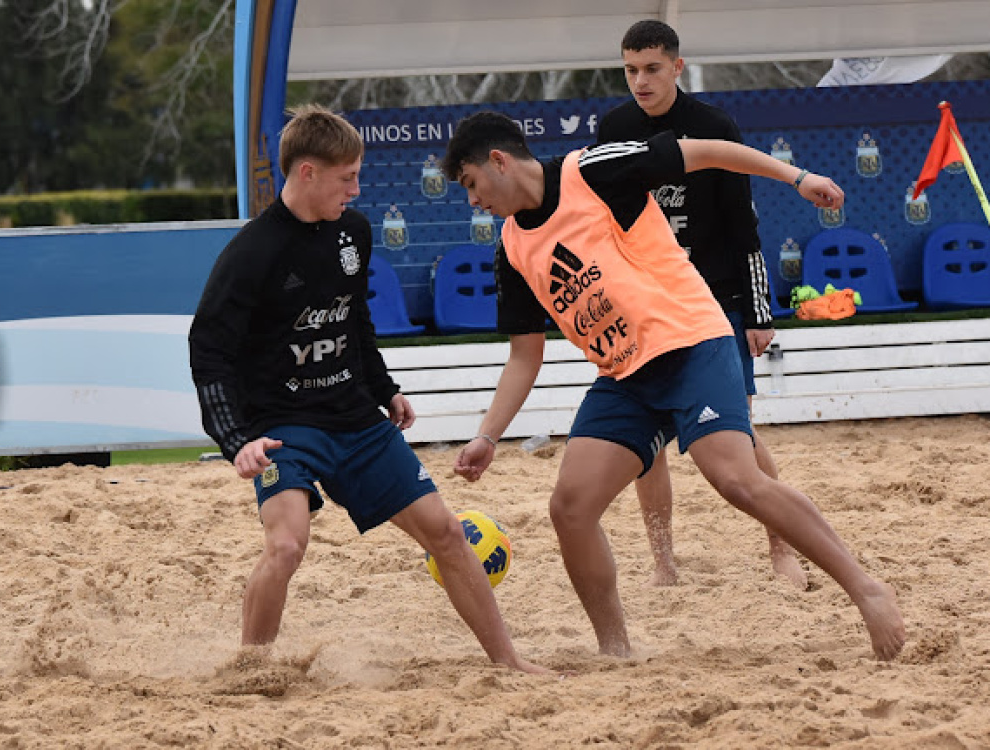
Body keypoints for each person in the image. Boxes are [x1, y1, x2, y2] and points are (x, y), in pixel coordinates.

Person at [442, 111, 905, 661]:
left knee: (734, 478)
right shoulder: (512, 247)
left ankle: (866, 588)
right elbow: (525, 355)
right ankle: (617, 650)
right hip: (624, 378)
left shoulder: (590, 172)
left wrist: (797, 177)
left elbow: (705, 152)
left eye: (471, 184)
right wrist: (488, 437)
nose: (472, 200)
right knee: (569, 508)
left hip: (691, 343)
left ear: (498, 161)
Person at [188, 104, 548, 675]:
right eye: (347, 177)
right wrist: (236, 441)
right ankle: (249, 672)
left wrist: (385, 388)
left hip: (355, 418)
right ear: (307, 172)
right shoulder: (252, 252)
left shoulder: (352, 232)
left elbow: (354, 321)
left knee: (448, 533)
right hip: (284, 429)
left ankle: (509, 662)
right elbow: (207, 352)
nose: (358, 189)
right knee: (286, 546)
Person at [597, 19, 806, 590]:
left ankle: (781, 547)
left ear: (676, 67)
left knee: (740, 434)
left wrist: (759, 312)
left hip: (714, 305)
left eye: (651, 69)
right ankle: (664, 562)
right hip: (645, 307)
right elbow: (604, 229)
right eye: (630, 69)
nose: (640, 80)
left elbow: (745, 227)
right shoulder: (612, 128)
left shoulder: (714, 126)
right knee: (648, 442)